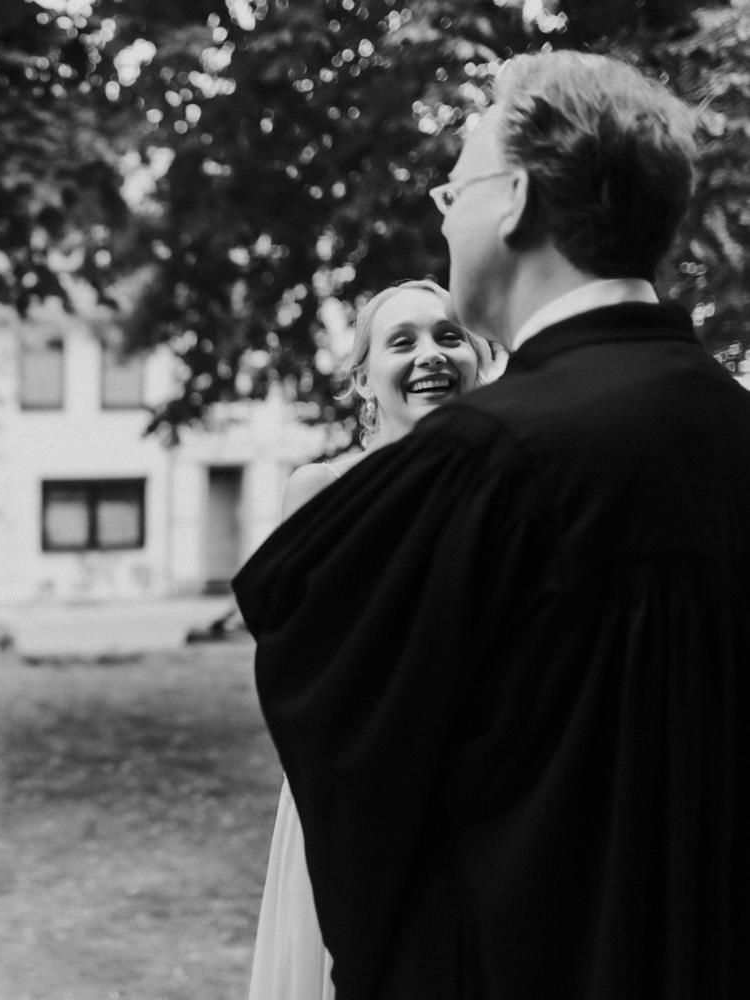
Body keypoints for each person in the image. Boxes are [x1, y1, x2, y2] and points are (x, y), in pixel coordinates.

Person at [233, 50, 750, 1000]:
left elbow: (364, 782)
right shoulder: (736, 428)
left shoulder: (473, 467)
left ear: (512, 201)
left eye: (453, 188)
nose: (446, 216)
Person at [248, 280, 485, 1000]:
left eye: (450, 336)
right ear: (362, 379)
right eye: (402, 342)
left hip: (479, 795)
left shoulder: (510, 487)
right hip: (351, 792)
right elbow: (297, 673)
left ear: (482, 354)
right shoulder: (321, 490)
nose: (431, 356)